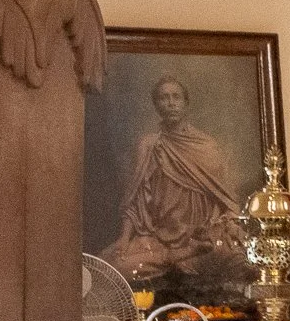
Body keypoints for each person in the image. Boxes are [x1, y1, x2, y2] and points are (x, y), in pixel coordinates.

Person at [104, 76, 246, 290]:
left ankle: (189, 254)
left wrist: (229, 226)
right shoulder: (148, 146)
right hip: (159, 240)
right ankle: (176, 257)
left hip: (203, 238)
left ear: (185, 103)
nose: (171, 103)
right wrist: (124, 238)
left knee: (240, 262)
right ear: (156, 105)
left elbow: (226, 200)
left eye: (176, 97)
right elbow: (135, 202)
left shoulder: (207, 147)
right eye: (163, 98)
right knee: (111, 266)